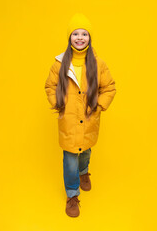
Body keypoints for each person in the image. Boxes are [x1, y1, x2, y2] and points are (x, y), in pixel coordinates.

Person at [44, 13, 116, 217]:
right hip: (68, 120)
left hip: (90, 118)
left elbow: (109, 88)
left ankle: (84, 172)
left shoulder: (98, 63)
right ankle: (72, 194)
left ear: (90, 37)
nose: (80, 37)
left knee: (84, 152)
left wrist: (99, 106)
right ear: (69, 37)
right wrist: (58, 104)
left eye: (84, 33)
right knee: (70, 159)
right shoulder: (59, 64)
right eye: (75, 33)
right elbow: (50, 87)